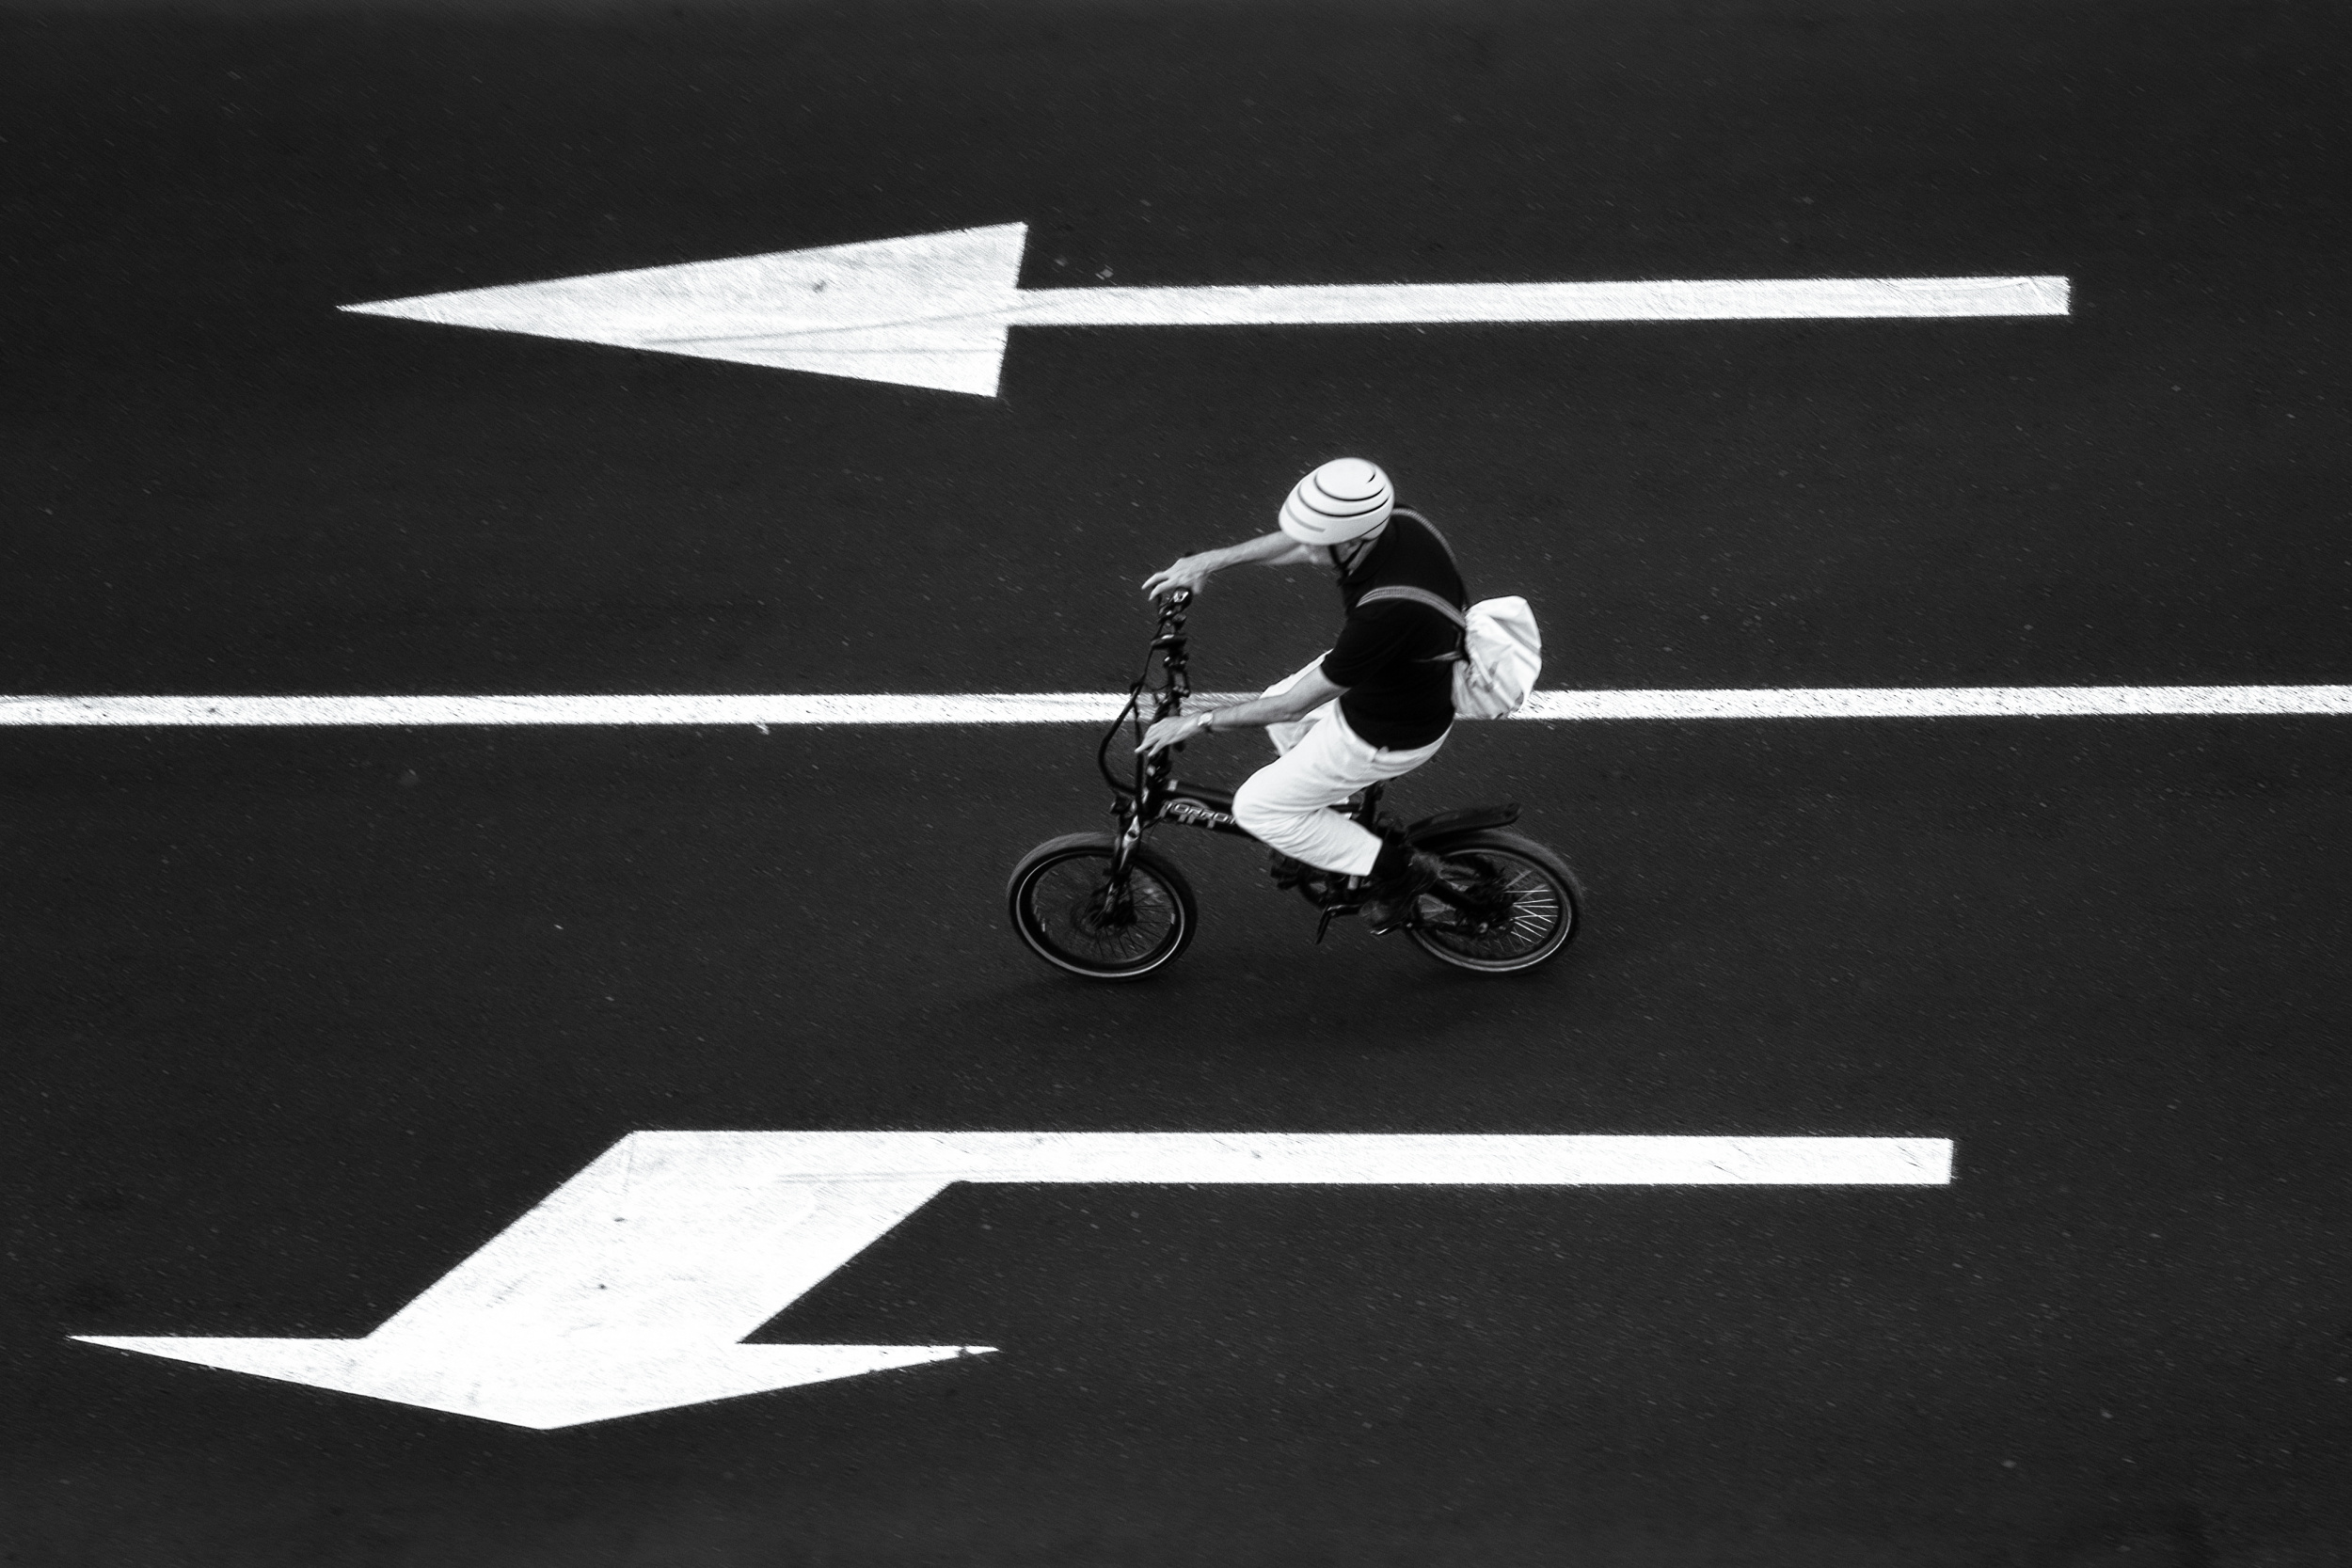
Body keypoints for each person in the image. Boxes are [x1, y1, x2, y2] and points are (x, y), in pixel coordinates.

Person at [1138, 458, 1464, 930]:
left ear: (1350, 541)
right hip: (1392, 674)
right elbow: (1296, 540)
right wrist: (1210, 560)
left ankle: (1400, 872)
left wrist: (1195, 722)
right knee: (1278, 712)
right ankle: (1324, 827)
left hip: (1387, 731)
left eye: (1317, 540)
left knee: (1256, 807)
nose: (1304, 546)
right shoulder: (1393, 520)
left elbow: (1295, 706)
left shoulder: (1387, 610)